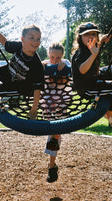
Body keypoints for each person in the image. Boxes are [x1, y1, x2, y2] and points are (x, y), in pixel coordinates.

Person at [71, 22, 112, 127]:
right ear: (80, 37)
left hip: (93, 78)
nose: (91, 36)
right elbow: (82, 70)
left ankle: (108, 104)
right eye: (87, 34)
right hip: (86, 88)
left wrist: (102, 41)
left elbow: (97, 49)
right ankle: (111, 113)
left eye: (94, 34)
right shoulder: (80, 52)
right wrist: (94, 54)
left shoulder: (92, 48)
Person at [42, 43, 71, 183]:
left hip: (61, 103)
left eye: (58, 57)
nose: (55, 60)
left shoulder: (65, 63)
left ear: (62, 56)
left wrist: (63, 67)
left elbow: (70, 72)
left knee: (55, 134)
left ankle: (52, 166)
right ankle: (52, 166)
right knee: (53, 133)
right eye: (52, 57)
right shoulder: (45, 64)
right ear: (48, 55)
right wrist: (42, 66)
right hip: (48, 104)